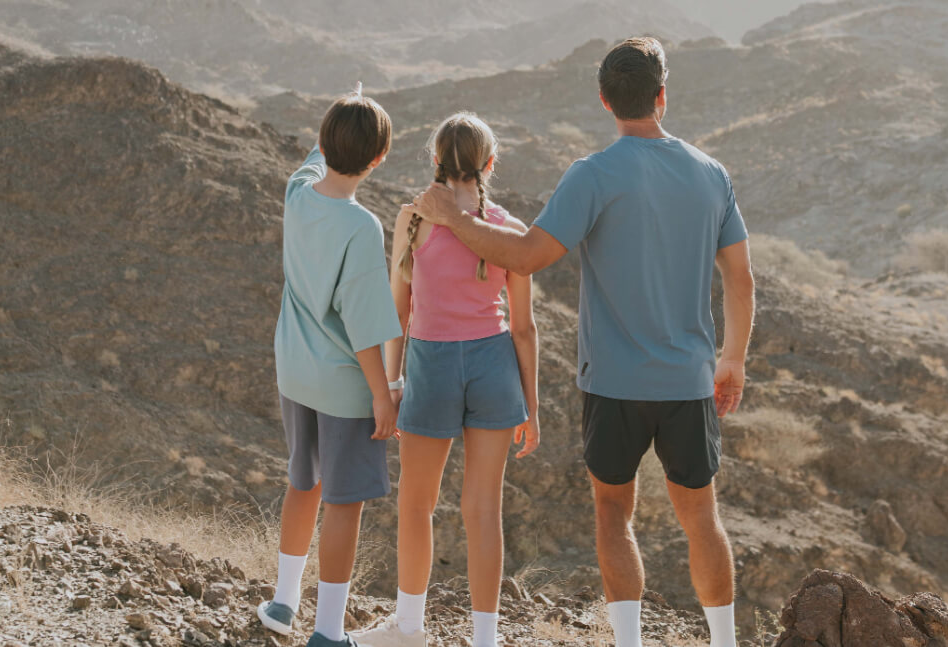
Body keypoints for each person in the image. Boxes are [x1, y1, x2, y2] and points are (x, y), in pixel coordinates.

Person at [408, 37, 756, 647]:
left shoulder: (592, 176)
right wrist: (732, 359)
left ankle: (629, 642)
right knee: (702, 518)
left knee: (613, 512)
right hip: (690, 380)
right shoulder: (711, 174)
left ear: (605, 102)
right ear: (662, 97)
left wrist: (454, 220)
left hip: (614, 382)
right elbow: (741, 277)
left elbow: (524, 257)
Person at [352, 113, 539, 647]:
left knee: (417, 504)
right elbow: (524, 329)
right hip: (495, 367)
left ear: (435, 161)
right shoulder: (510, 230)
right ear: (489, 164)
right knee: (483, 509)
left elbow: (398, 311)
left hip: (431, 365)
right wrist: (532, 407)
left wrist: (390, 384)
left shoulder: (412, 219)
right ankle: (485, 639)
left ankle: (409, 627)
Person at [260, 88, 405, 647]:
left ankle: (283, 602)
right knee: (344, 502)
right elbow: (366, 329)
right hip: (345, 388)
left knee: (304, 483)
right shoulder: (362, 227)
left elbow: (312, 160)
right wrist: (383, 396)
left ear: (321, 142)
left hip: (295, 373)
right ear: (378, 160)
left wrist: (349, 104)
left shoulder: (297, 194)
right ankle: (327, 633)